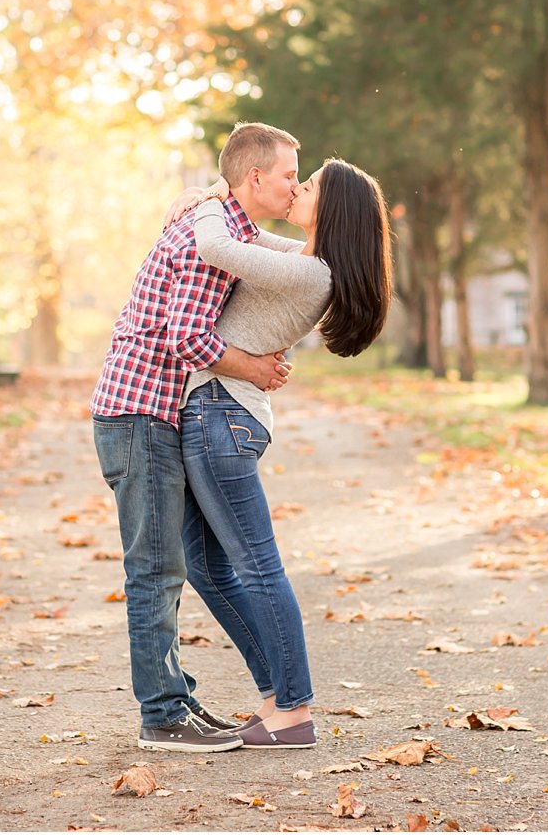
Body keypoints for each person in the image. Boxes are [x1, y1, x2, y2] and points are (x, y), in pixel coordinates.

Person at [90, 122, 307, 752]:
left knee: (173, 566)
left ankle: (175, 700)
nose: (296, 185)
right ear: (256, 178)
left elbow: (298, 262)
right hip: (138, 413)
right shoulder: (206, 235)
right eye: (290, 174)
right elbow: (187, 339)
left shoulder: (227, 226)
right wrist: (257, 367)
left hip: (153, 411)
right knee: (155, 571)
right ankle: (160, 714)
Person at [169, 157, 392, 749]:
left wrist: (214, 193)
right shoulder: (299, 261)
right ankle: (275, 698)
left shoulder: (312, 273)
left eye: (309, 184)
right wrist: (213, 194)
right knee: (208, 568)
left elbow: (218, 244)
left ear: (334, 208)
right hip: (214, 412)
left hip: (222, 415)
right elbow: (242, 235)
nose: (296, 187)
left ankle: (293, 711)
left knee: (257, 567)